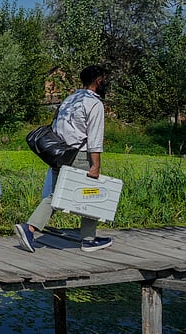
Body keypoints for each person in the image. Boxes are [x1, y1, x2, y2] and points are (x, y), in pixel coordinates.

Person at [15, 65, 113, 253]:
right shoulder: (94, 103)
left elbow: (57, 127)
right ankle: (88, 240)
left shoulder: (71, 99)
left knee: (57, 194)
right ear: (99, 81)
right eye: (104, 79)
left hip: (60, 154)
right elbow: (95, 138)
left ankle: (31, 228)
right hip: (80, 155)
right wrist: (95, 166)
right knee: (92, 194)